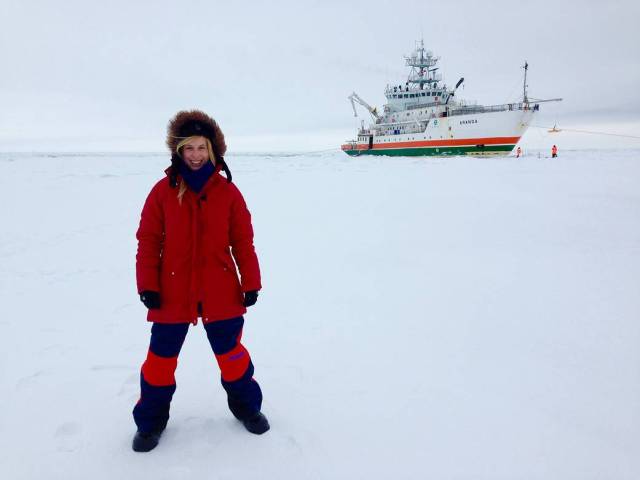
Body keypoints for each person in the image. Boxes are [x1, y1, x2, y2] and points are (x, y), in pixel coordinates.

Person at [131, 110, 269, 452]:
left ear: (212, 150)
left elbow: (243, 243)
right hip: (172, 293)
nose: (195, 155)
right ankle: (149, 424)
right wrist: (148, 285)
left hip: (220, 291)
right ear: (178, 151)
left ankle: (248, 409)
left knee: (232, 358)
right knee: (159, 364)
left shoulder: (228, 194)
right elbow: (148, 241)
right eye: (188, 148)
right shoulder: (162, 192)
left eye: (201, 148)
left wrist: (250, 282)